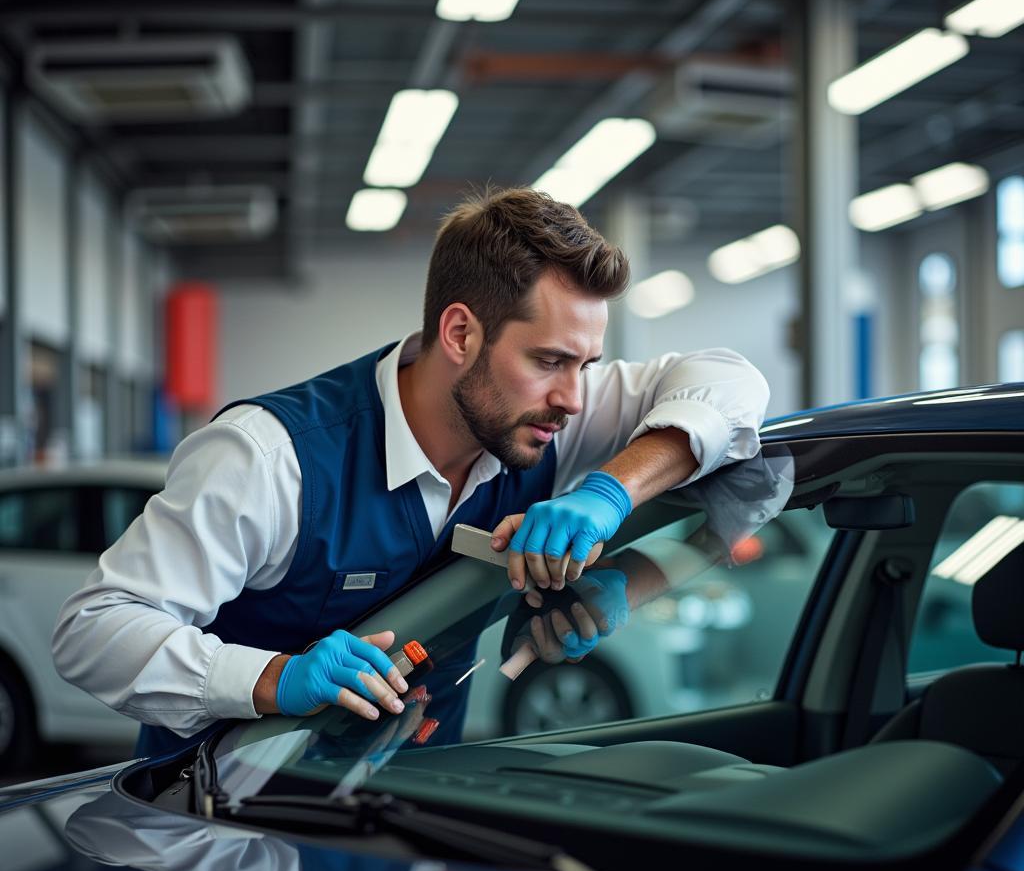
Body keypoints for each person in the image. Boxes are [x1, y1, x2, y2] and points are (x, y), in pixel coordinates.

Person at [52, 187, 769, 756]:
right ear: (460, 333)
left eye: (584, 365)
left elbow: (734, 389)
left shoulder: (541, 416)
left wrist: (611, 494)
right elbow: (94, 630)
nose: (574, 397)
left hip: (419, 829)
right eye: (549, 360)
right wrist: (272, 677)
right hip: (228, 840)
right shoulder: (267, 457)